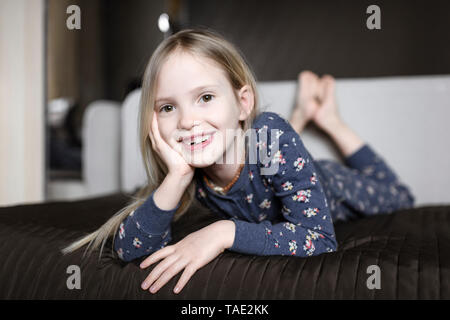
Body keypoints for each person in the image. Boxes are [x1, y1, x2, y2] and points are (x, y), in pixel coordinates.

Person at [61, 29, 414, 295]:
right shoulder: (189, 170)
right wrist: (176, 178)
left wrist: (224, 231)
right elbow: (129, 249)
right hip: (275, 159)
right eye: (168, 107)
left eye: (205, 97)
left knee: (399, 195)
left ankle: (328, 118)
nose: (186, 121)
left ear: (243, 103)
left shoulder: (269, 135)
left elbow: (319, 239)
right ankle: (302, 117)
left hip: (332, 186)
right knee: (271, 150)